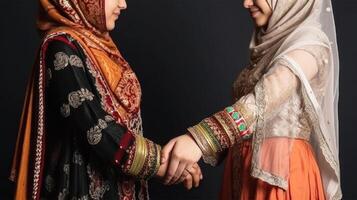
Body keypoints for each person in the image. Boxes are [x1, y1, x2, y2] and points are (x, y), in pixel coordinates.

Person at [9, 0, 201, 199]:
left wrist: (167, 163)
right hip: (79, 187)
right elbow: (96, 127)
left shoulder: (100, 46)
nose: (123, 4)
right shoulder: (61, 46)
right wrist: (159, 163)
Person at [161, 0, 342, 199]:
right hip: (243, 174)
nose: (246, 3)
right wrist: (186, 159)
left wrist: (199, 141)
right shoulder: (272, 46)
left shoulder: (310, 46)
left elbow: (261, 101)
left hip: (281, 179)